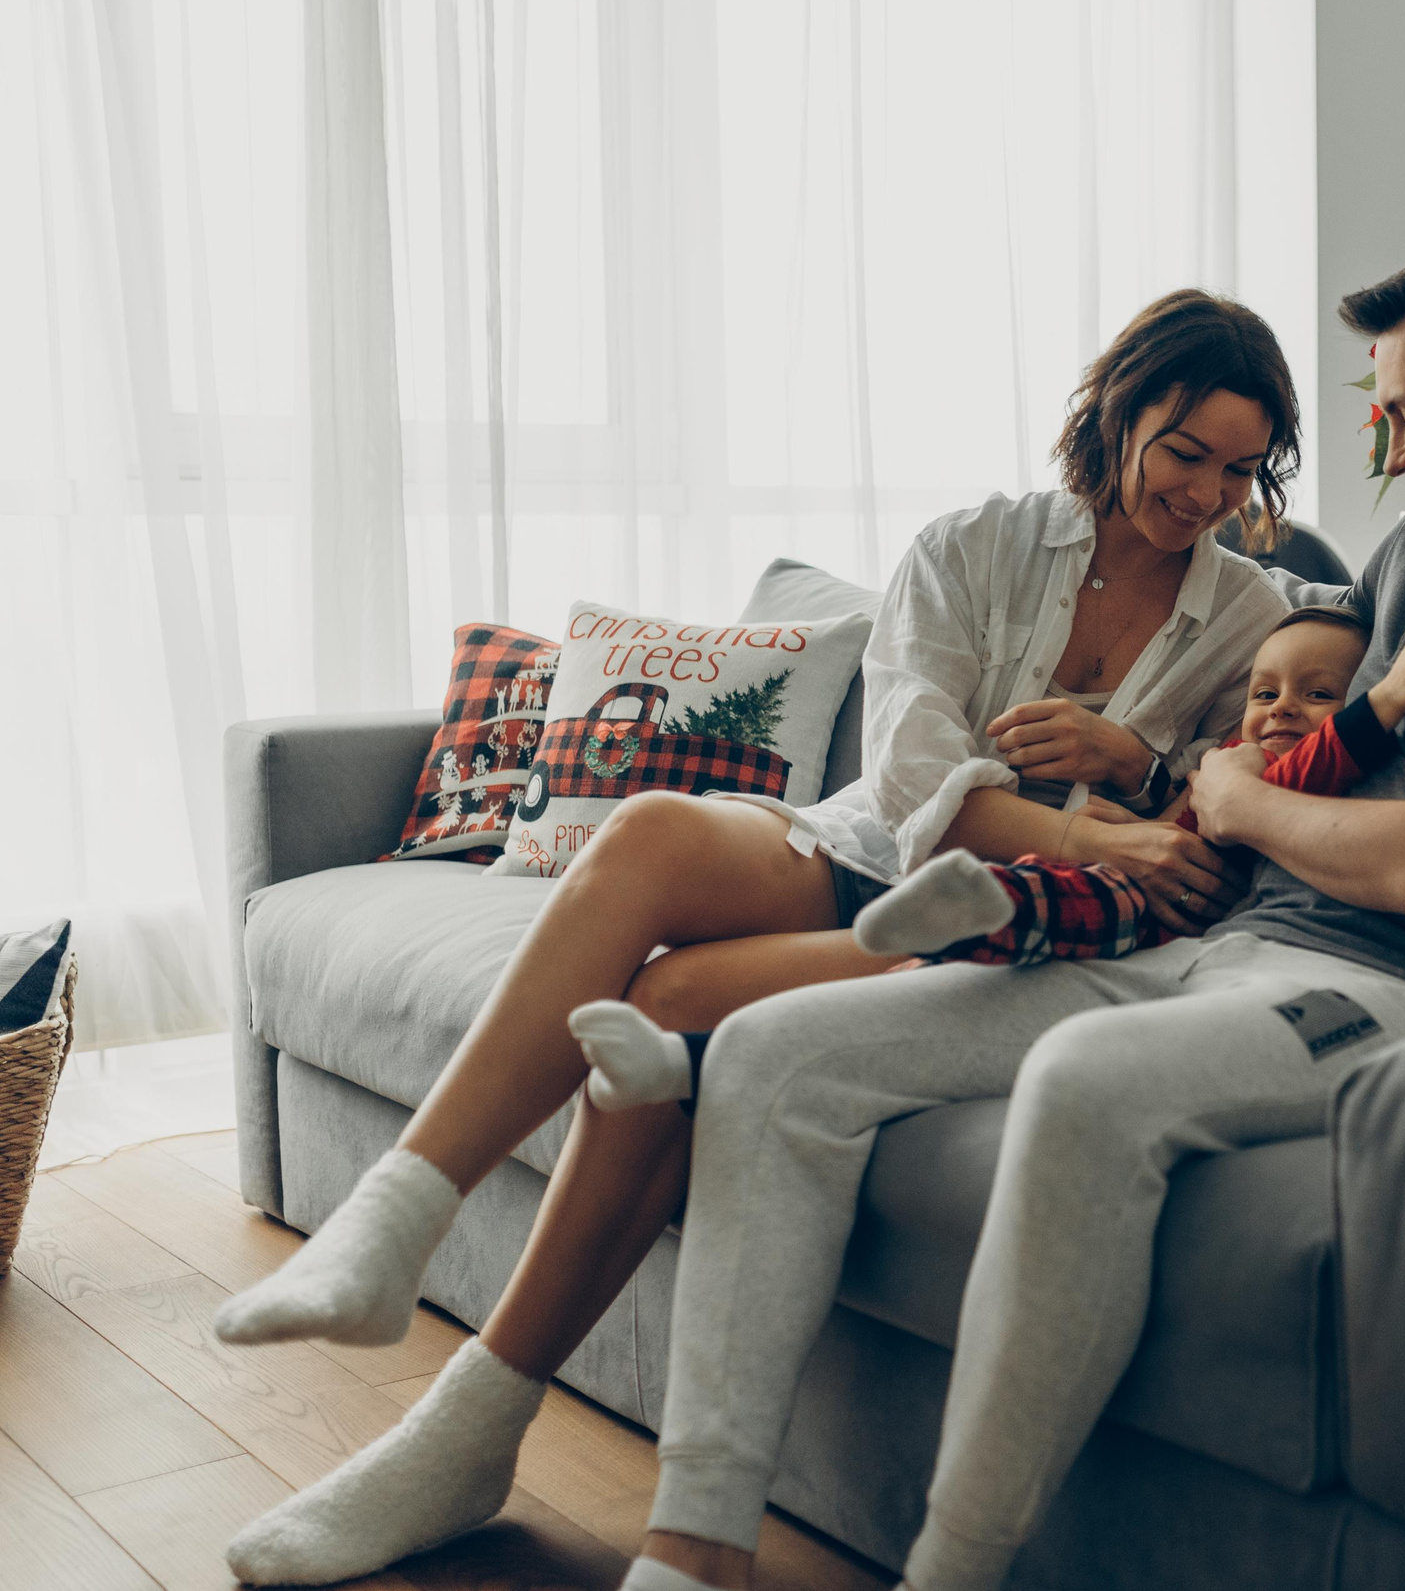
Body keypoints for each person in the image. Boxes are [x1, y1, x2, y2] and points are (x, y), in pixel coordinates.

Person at [628, 233, 1405, 1591]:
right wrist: (1172, 775)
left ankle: (949, 1572)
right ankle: (692, 1545)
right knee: (773, 1053)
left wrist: (1242, 802)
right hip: (1220, 940)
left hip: (1400, 991)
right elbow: (1289, 702)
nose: (1396, 451)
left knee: (1087, 1082)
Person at [209, 288, 1307, 1588]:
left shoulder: (1257, 615)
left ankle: (465, 1431)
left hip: (1025, 928)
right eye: (1185, 452)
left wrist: (1131, 762)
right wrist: (1088, 823)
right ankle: (394, 1222)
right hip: (876, 847)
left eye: (1242, 469)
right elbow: (914, 785)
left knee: (668, 1007)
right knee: (647, 835)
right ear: (1119, 413)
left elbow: (1215, 823)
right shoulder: (974, 546)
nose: (1206, 494)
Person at [568, 607, 1405, 1117]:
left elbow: (1326, 761)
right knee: (960, 962)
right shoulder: (1233, 760)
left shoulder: (1294, 771)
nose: (1283, 709)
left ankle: (691, 1055)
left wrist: (1385, 703)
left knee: (988, 943)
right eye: (1265, 691)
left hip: (1156, 918)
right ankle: (687, 1054)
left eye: (1319, 694)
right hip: (1120, 892)